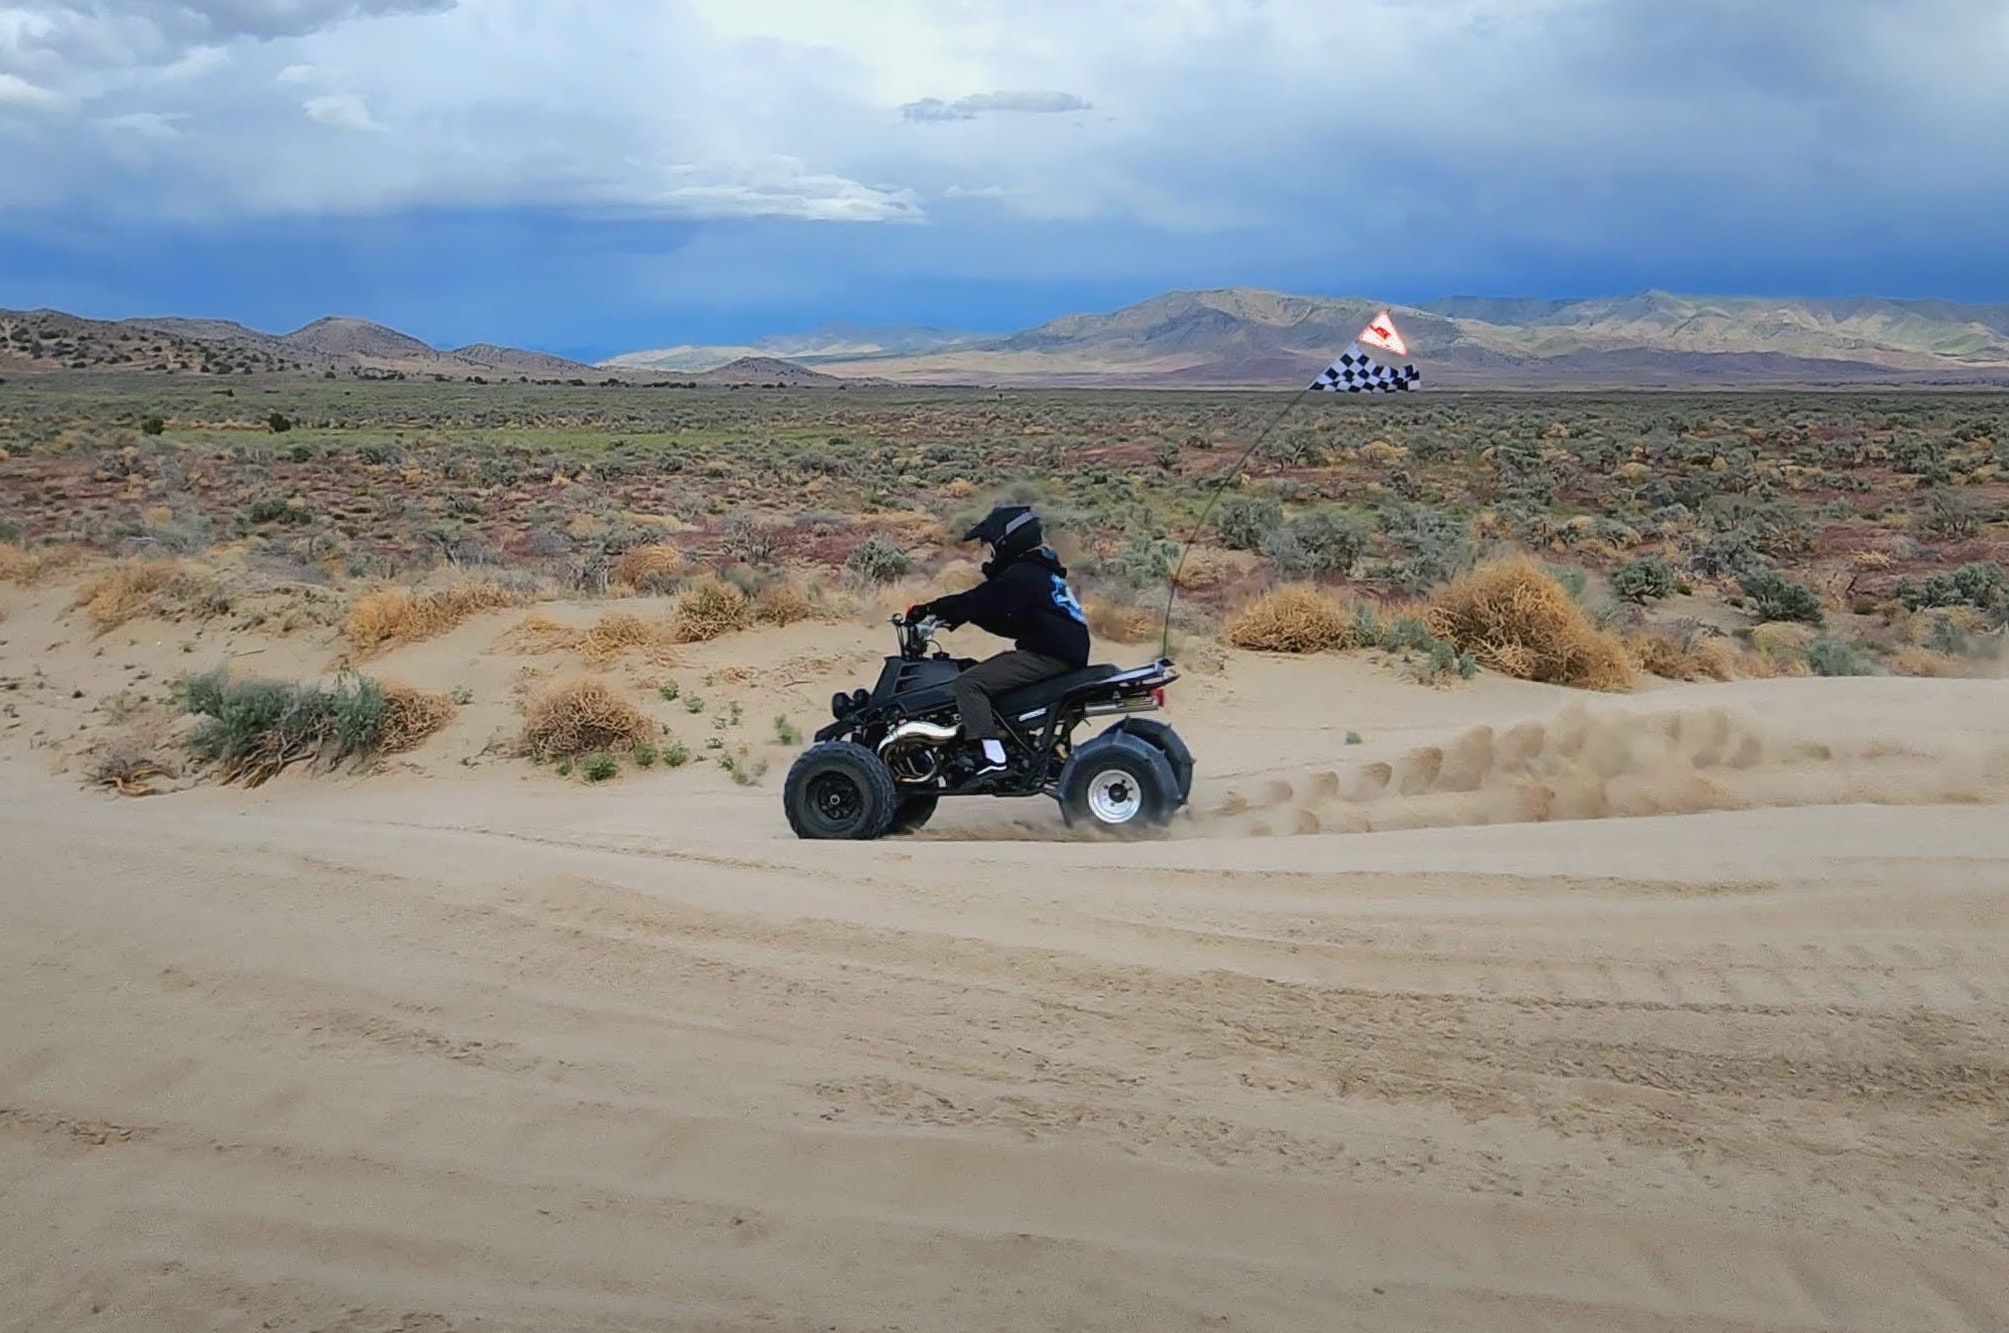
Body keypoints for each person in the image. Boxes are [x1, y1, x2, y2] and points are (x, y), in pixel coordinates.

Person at [907, 504, 1090, 775]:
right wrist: (963, 616)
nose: (991, 553)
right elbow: (1005, 617)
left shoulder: (1024, 573)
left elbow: (980, 599)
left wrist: (929, 609)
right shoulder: (1043, 572)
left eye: (992, 545)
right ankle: (1011, 742)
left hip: (1049, 656)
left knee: (969, 683)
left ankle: (991, 757)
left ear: (1008, 540)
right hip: (1063, 654)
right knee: (985, 674)